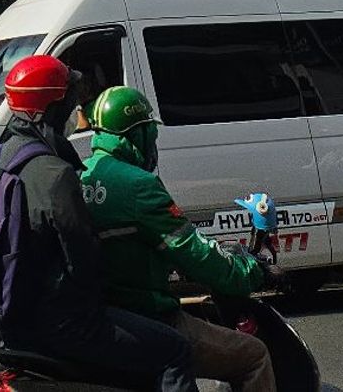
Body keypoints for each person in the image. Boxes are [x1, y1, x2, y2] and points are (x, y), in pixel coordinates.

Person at [0, 57, 200, 392]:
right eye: (72, 103)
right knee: (174, 350)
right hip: (64, 321)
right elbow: (83, 253)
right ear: (53, 108)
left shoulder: (1, 157)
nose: (78, 113)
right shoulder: (53, 172)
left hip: (13, 319)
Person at [81, 85, 275, 392]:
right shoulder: (138, 185)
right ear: (139, 134)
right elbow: (193, 251)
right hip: (148, 315)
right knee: (255, 356)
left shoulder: (81, 176)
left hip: (102, 315)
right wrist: (250, 273)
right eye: (151, 136)